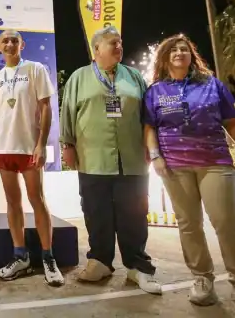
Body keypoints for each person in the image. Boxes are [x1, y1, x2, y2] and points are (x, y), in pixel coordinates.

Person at [143, 34, 235, 315]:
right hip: (175, 166)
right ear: (165, 58)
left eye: (184, 49)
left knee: (227, 222)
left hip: (215, 163)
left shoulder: (212, 84)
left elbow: (232, 123)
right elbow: (150, 128)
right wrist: (155, 156)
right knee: (189, 224)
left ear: (192, 56)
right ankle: (202, 280)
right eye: (173, 50)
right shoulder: (155, 91)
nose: (179, 52)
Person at [59, 25, 161, 294]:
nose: (119, 46)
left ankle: (138, 266)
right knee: (96, 211)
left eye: (120, 42)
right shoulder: (79, 77)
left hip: (132, 158)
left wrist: (151, 147)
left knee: (134, 214)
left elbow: (148, 116)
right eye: (112, 43)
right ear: (96, 49)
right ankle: (100, 261)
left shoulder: (134, 77)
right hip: (93, 157)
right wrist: (67, 144)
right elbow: (67, 112)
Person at [0, 30, 65, 287]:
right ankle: (20, 256)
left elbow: (45, 107)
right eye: (5, 41)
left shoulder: (35, 69)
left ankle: (48, 258)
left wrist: (41, 144)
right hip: (3, 147)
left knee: (37, 200)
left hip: (29, 147)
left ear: (22, 44)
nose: (9, 44)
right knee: (13, 202)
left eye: (14, 40)